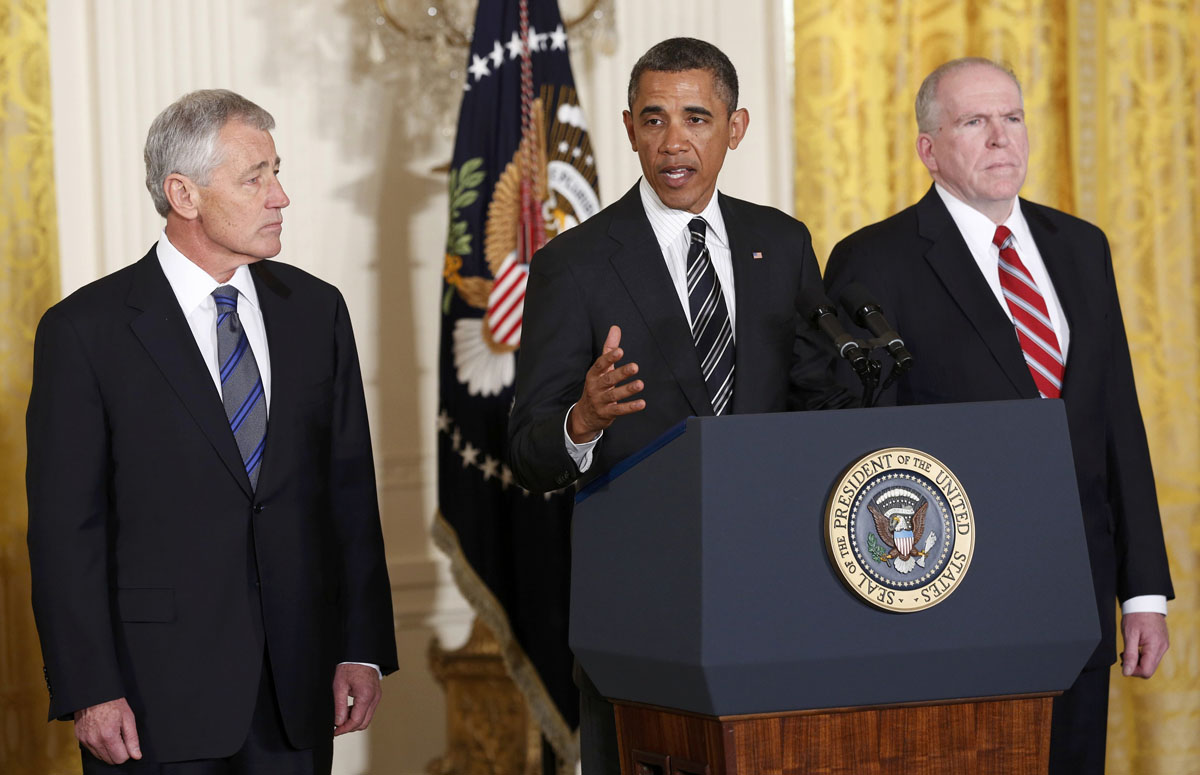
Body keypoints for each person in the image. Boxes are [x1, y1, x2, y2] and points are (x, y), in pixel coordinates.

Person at [26, 90, 398, 774]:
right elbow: (63, 530)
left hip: (298, 690)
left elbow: (349, 492)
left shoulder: (316, 311)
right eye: (254, 177)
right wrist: (91, 688)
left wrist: (361, 645)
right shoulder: (85, 332)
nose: (280, 195)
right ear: (184, 194)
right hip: (152, 701)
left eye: (276, 171)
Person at [508, 38, 850, 774]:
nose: (674, 141)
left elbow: (820, 408)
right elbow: (528, 451)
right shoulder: (573, 266)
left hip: (776, 601)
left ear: (736, 126)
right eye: (654, 119)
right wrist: (582, 419)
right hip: (639, 617)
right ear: (629, 127)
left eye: (697, 117)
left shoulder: (781, 244)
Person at [824, 58, 1173, 774]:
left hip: (1076, 591)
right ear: (929, 147)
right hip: (948, 602)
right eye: (974, 122)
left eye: (1012, 118)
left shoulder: (1081, 246)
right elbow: (860, 448)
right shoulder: (873, 260)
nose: (1000, 138)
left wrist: (1142, 589)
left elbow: (1117, 420)